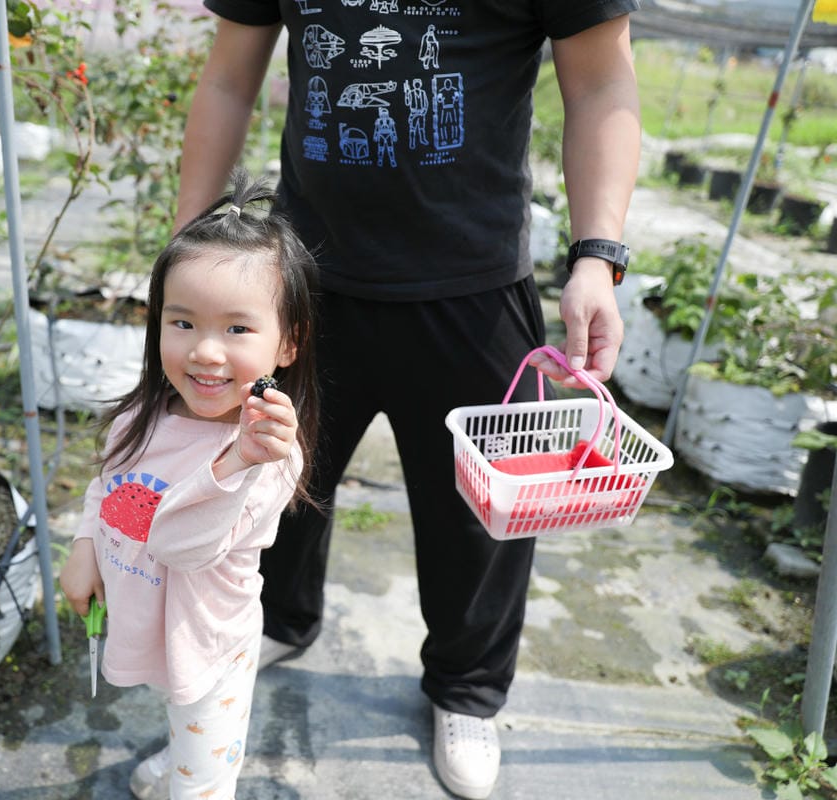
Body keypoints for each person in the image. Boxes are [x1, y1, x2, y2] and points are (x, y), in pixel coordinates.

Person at [172, 3, 640, 798]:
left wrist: (597, 254)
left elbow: (601, 84)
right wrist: (186, 245)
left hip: (474, 281)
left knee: (481, 517)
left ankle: (465, 688)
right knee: (269, 470)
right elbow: (227, 75)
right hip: (305, 277)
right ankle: (279, 619)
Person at [58, 169, 320, 800]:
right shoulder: (143, 414)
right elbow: (110, 483)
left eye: (237, 329)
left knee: (202, 783)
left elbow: (179, 545)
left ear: (287, 343)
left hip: (208, 648)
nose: (205, 351)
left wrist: (236, 464)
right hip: (148, 617)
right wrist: (86, 542)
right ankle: (179, 761)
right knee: (186, 734)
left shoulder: (267, 457)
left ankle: (188, 774)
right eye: (183, 323)